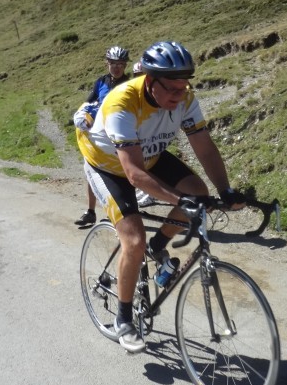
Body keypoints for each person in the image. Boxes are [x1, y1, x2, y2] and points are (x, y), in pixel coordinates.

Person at [76, 40, 246, 353]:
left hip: (149, 153)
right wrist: (178, 201)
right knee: (134, 239)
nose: (179, 96)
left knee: (198, 191)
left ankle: (159, 245)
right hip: (107, 165)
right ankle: (124, 318)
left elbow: (204, 146)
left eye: (185, 87)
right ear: (150, 82)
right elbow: (134, 174)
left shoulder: (184, 97)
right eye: (172, 89)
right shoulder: (122, 103)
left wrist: (226, 190)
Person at [73, 46, 130, 226]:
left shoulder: (130, 84)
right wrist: (81, 117)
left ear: (125, 65)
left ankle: (123, 212)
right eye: (113, 63)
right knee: (91, 170)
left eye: (120, 64)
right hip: (99, 134)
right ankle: (90, 211)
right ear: (107, 63)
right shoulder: (101, 82)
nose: (117, 67)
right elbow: (89, 103)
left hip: (121, 135)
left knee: (121, 175)